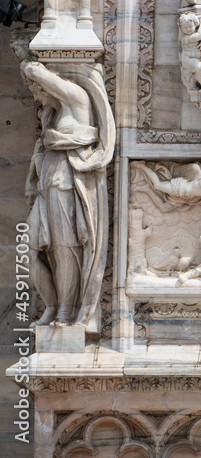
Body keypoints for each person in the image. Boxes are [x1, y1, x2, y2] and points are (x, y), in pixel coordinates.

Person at [21, 60, 115, 330]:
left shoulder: (77, 99)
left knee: (65, 250)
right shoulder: (52, 113)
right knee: (27, 250)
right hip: (46, 187)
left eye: (36, 91)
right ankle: (51, 304)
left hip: (66, 183)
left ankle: (65, 310)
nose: (36, 97)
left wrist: (32, 66)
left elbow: (35, 70)